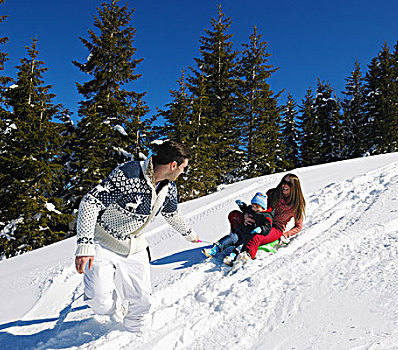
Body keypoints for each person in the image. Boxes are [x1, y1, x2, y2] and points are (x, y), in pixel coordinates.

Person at [74, 140, 200, 333]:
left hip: (135, 246)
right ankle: (115, 308)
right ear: (173, 165)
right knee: (100, 302)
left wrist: (189, 234)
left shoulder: (169, 188)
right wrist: (84, 245)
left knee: (142, 300)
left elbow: (171, 213)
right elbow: (90, 202)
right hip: (104, 241)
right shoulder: (129, 174)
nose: (183, 172)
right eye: (183, 167)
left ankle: (136, 336)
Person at [236, 173, 306, 263]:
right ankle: (232, 239)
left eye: (289, 184)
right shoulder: (272, 193)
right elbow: (259, 207)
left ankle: (245, 257)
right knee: (235, 215)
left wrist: (285, 235)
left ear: (295, 187)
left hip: (275, 228)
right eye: (284, 182)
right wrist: (246, 215)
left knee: (257, 236)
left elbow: (298, 227)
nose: (285, 185)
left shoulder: (296, 205)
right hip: (260, 220)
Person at [202, 192, 275, 266]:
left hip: (249, 236)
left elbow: (268, 226)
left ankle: (232, 258)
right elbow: (246, 209)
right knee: (229, 238)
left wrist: (261, 229)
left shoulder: (266, 216)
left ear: (263, 207)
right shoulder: (251, 210)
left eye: (257, 207)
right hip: (240, 232)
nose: (254, 208)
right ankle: (214, 250)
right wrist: (242, 205)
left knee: (240, 247)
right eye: (253, 206)